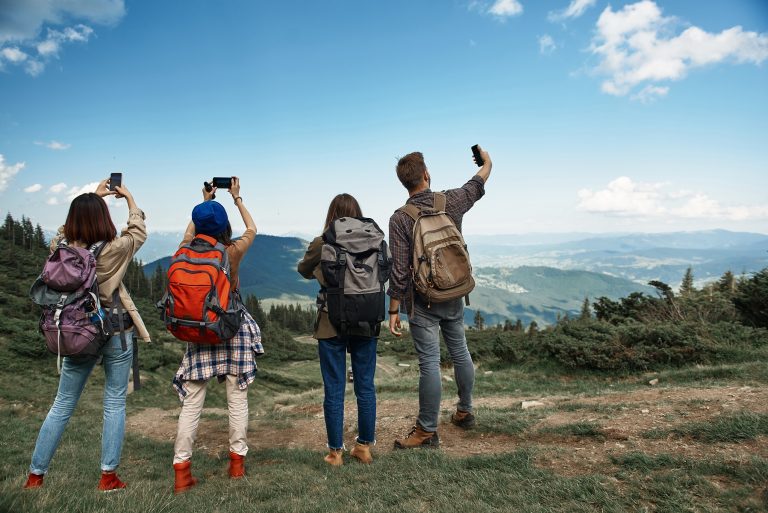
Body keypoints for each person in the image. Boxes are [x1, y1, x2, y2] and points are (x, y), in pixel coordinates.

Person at [24, 178, 149, 491]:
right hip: (116, 330)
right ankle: (108, 477)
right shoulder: (115, 249)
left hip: (78, 331)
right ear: (104, 219)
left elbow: (62, 234)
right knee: (115, 403)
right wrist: (129, 198)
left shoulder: (60, 250)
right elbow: (137, 232)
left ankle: (35, 477)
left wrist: (92, 198)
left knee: (63, 404)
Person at [388, 147, 492, 449]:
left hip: (423, 300)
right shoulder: (451, 201)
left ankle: (427, 431)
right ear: (426, 175)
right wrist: (487, 162)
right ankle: (465, 410)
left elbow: (399, 271)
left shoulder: (401, 219)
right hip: (455, 292)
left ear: (404, 184)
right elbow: (477, 183)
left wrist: (394, 308)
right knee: (460, 351)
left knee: (430, 363)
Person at [171, 177, 263, 493]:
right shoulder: (231, 250)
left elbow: (189, 231)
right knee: (236, 397)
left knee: (193, 401)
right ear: (224, 226)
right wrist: (236, 199)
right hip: (230, 328)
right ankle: (236, 464)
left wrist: (204, 203)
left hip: (198, 330)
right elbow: (252, 229)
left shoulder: (185, 248)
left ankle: (182, 471)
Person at [297, 194, 379, 466]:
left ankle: (335, 453)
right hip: (367, 319)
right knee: (365, 386)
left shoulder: (323, 242)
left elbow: (303, 270)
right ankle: (364, 448)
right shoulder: (374, 240)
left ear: (332, 214)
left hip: (330, 321)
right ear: (358, 213)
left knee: (334, 388)